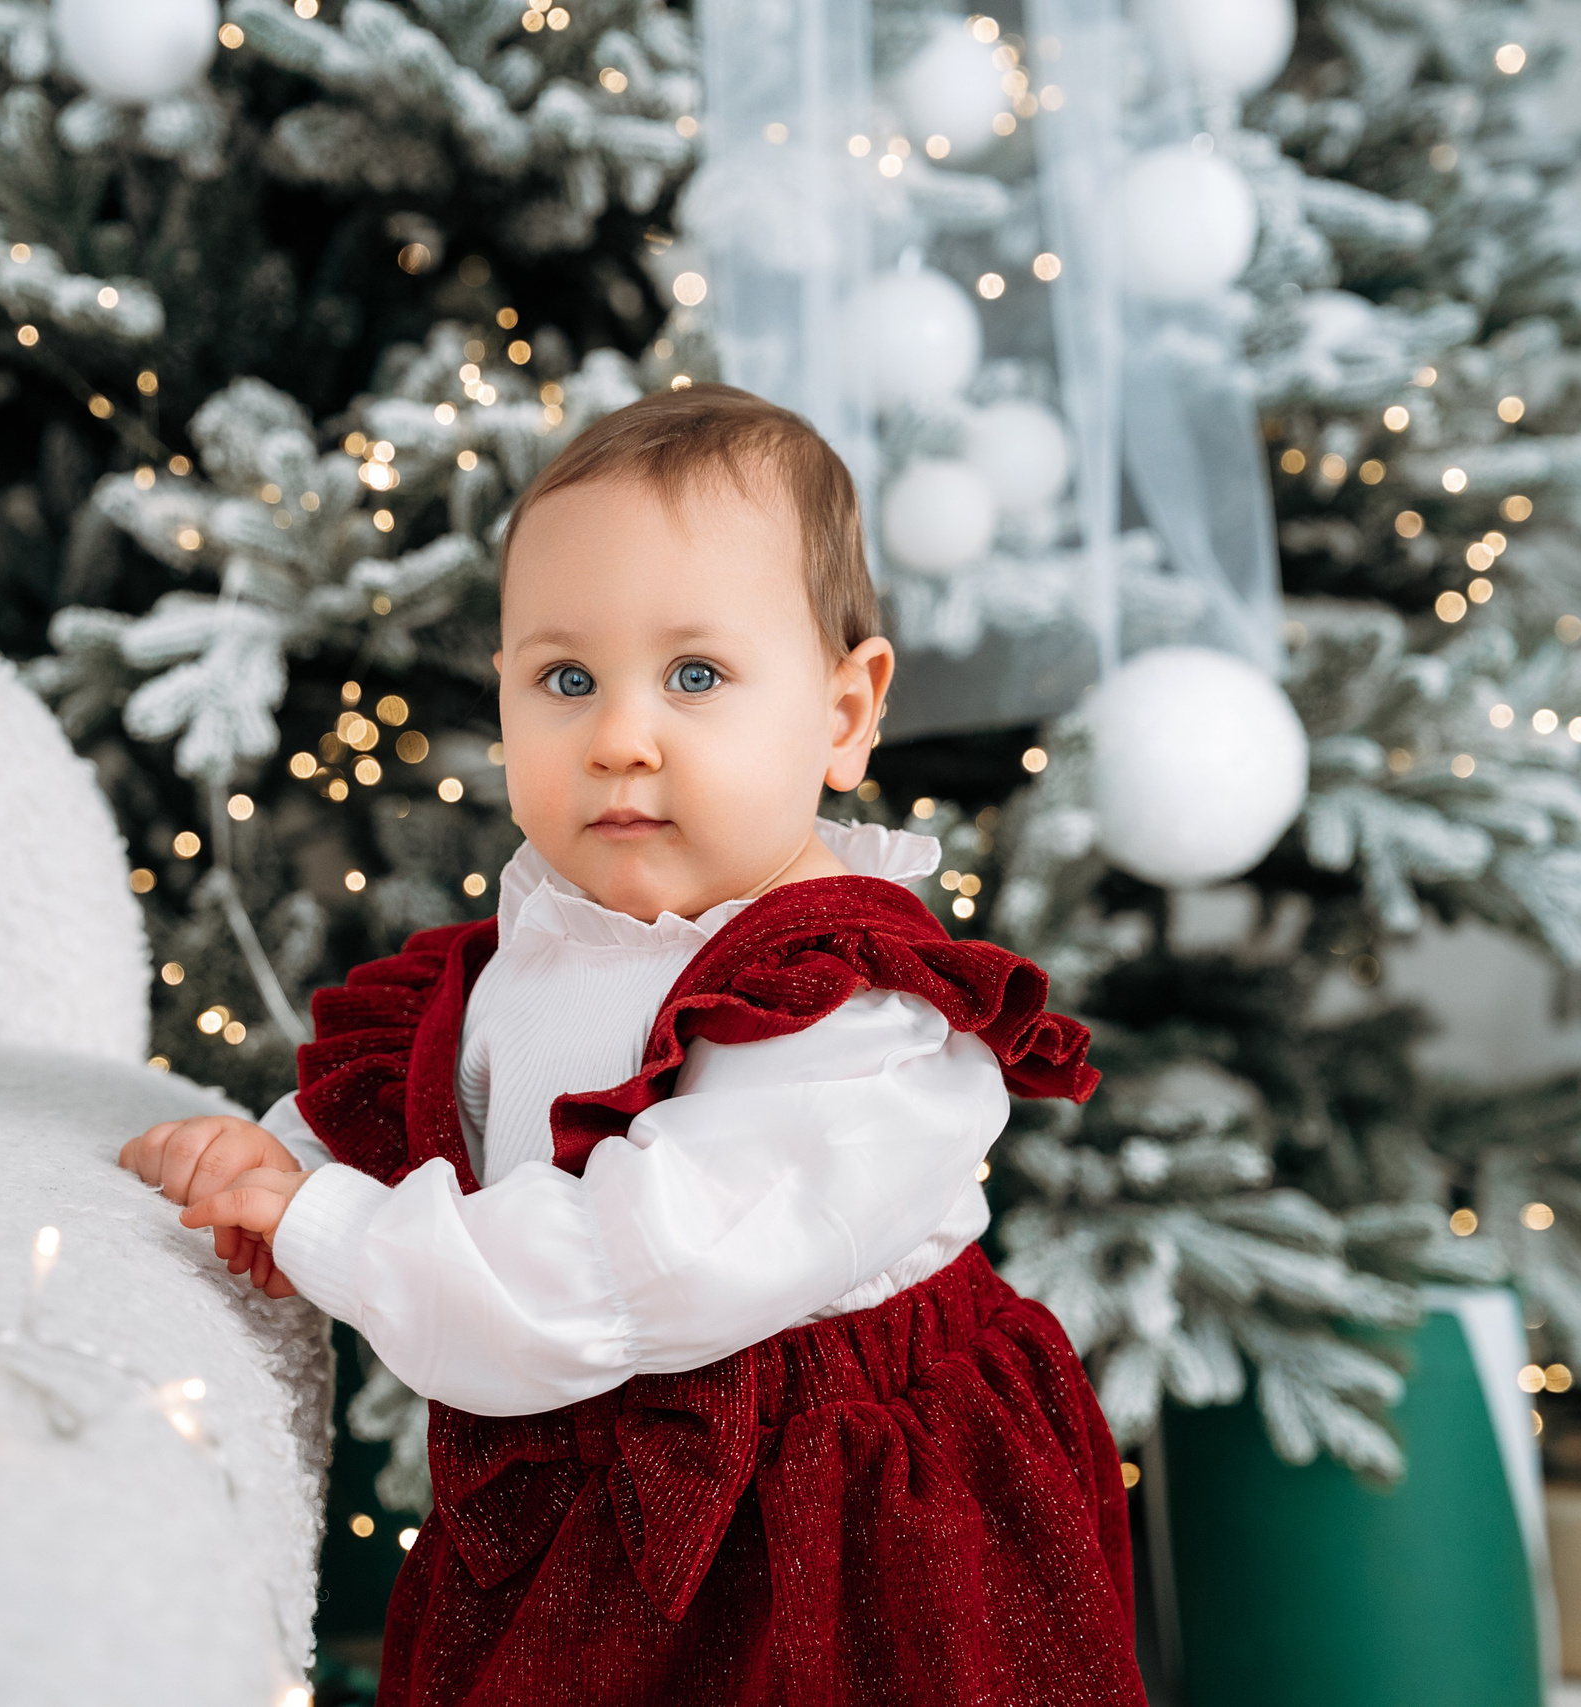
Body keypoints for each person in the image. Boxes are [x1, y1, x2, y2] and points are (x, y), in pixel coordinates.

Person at [120, 385, 1145, 1706]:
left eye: (697, 676)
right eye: (565, 679)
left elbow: (621, 1270)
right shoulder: (544, 941)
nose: (617, 737)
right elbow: (438, 1108)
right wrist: (278, 1157)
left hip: (838, 1526)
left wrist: (333, 1230)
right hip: (587, 1493)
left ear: (843, 714)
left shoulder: (860, 1023)